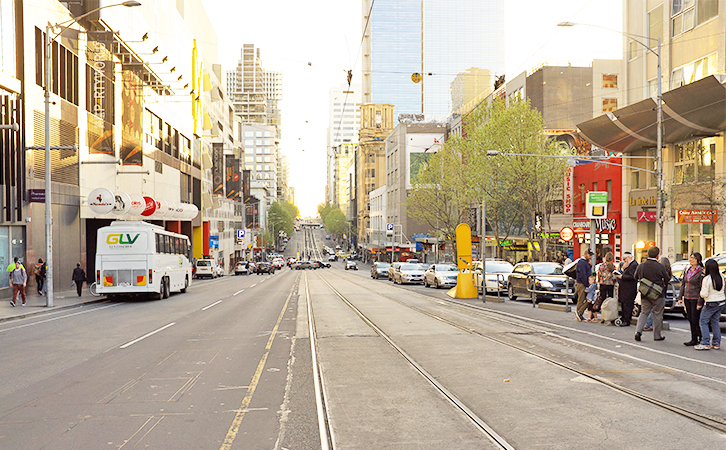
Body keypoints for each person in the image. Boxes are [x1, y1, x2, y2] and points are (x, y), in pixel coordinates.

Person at [634, 246, 670, 342]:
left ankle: (638, 332)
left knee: (644, 312)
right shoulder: (660, 266)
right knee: (657, 314)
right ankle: (657, 335)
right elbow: (667, 278)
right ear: (657, 256)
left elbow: (635, 276)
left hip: (645, 294)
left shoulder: (641, 265)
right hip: (658, 294)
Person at [695, 259, 724, 350]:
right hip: (721, 301)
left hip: (711, 302)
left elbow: (704, 294)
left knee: (703, 322)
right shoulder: (721, 276)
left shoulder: (707, 279)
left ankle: (705, 342)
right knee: (715, 322)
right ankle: (716, 343)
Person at [678, 253, 704, 347]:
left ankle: (701, 338)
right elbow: (683, 284)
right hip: (687, 297)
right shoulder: (687, 270)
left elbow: (702, 287)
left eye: (694, 258)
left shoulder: (701, 272)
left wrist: (700, 301)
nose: (691, 260)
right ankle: (693, 338)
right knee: (690, 318)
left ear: (698, 260)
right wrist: (680, 297)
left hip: (695, 298)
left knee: (695, 319)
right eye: (691, 257)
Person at [615, 252, 638, 326]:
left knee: (628, 305)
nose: (624, 261)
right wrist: (622, 269)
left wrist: (622, 277)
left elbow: (632, 277)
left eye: (624, 259)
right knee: (623, 304)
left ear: (629, 257)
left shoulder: (634, 265)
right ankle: (623, 317)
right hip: (624, 288)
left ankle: (627, 320)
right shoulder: (627, 265)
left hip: (629, 288)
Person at [594, 252, 616, 321]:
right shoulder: (613, 266)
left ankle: (603, 316)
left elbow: (599, 275)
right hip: (610, 284)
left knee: (603, 299)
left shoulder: (602, 266)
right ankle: (610, 315)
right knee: (610, 300)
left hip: (603, 284)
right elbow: (614, 277)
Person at [574, 248, 594, 321]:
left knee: (585, 299)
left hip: (583, 282)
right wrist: (586, 284)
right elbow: (583, 274)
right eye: (589, 255)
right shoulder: (582, 262)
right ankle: (579, 313)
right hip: (581, 283)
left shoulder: (584, 262)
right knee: (583, 299)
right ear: (585, 254)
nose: (591, 257)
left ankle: (579, 314)